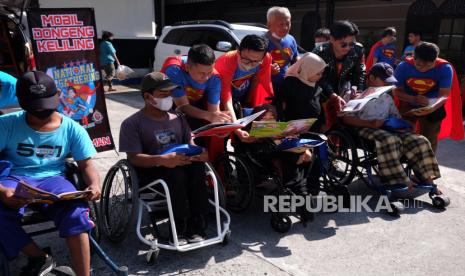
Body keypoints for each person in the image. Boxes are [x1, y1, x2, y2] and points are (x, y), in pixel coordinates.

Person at [0, 71, 100, 276]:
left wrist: (94, 185)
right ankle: (38, 256)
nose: (40, 112)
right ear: (20, 101)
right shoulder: (6, 124)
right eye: (34, 107)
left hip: (54, 178)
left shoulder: (73, 128)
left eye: (45, 106)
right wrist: (2, 190)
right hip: (15, 176)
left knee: (76, 214)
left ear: (59, 96)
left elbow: (86, 165)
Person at [119, 72, 210, 245]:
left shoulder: (178, 118)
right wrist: (162, 160)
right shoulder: (132, 123)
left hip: (180, 163)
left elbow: (189, 141)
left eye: (170, 93)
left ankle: (197, 223)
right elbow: (134, 158)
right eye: (163, 94)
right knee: (177, 175)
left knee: (198, 169)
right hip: (150, 171)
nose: (169, 98)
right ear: (148, 96)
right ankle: (179, 227)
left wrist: (199, 152)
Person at [342, 62, 441, 190]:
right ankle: (398, 180)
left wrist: (406, 124)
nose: (388, 84)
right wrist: (369, 123)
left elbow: (396, 117)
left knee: (420, 140)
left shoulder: (387, 98)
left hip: (386, 127)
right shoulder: (356, 96)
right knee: (390, 140)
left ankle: (428, 179)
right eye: (385, 81)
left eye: (390, 82)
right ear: (371, 78)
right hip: (365, 127)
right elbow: (345, 119)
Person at [394, 42, 463, 151]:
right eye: (419, 65)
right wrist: (413, 99)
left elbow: (444, 95)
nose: (424, 69)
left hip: (433, 106)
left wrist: (432, 107)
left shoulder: (444, 68)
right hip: (408, 102)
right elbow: (396, 92)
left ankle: (426, 165)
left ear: (436, 59)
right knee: (402, 136)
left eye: (429, 65)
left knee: (428, 141)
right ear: (413, 58)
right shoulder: (404, 66)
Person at [214, 34, 273, 142]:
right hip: (219, 100)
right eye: (246, 60)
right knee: (221, 136)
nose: (250, 65)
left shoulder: (266, 58)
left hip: (242, 98)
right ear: (238, 51)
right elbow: (226, 97)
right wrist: (237, 129)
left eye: (256, 62)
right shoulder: (227, 62)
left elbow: (265, 84)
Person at [161, 44, 230, 129]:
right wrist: (210, 116)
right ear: (187, 67)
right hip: (169, 105)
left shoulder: (215, 78)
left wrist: (220, 125)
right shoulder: (174, 70)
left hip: (195, 106)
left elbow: (213, 111)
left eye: (209, 72)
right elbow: (182, 106)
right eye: (201, 73)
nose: (206, 77)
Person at [312, 20, 365, 129]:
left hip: (343, 92)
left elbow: (359, 73)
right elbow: (318, 79)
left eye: (351, 44)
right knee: (324, 126)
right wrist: (332, 95)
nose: (348, 48)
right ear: (332, 39)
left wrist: (358, 91)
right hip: (320, 94)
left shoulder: (358, 50)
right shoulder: (319, 53)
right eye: (343, 44)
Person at [278, 52, 327, 130]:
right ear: (307, 70)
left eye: (322, 73)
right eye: (318, 74)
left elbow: (320, 103)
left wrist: (323, 122)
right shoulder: (290, 83)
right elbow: (281, 104)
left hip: (314, 127)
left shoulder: (315, 84)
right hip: (294, 129)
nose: (320, 76)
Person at [266, 6, 299, 94]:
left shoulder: (291, 39)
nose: (285, 27)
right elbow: (253, 67)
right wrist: (268, 70)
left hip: (287, 87)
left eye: (287, 23)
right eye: (281, 24)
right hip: (267, 89)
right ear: (269, 25)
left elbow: (295, 61)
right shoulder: (262, 42)